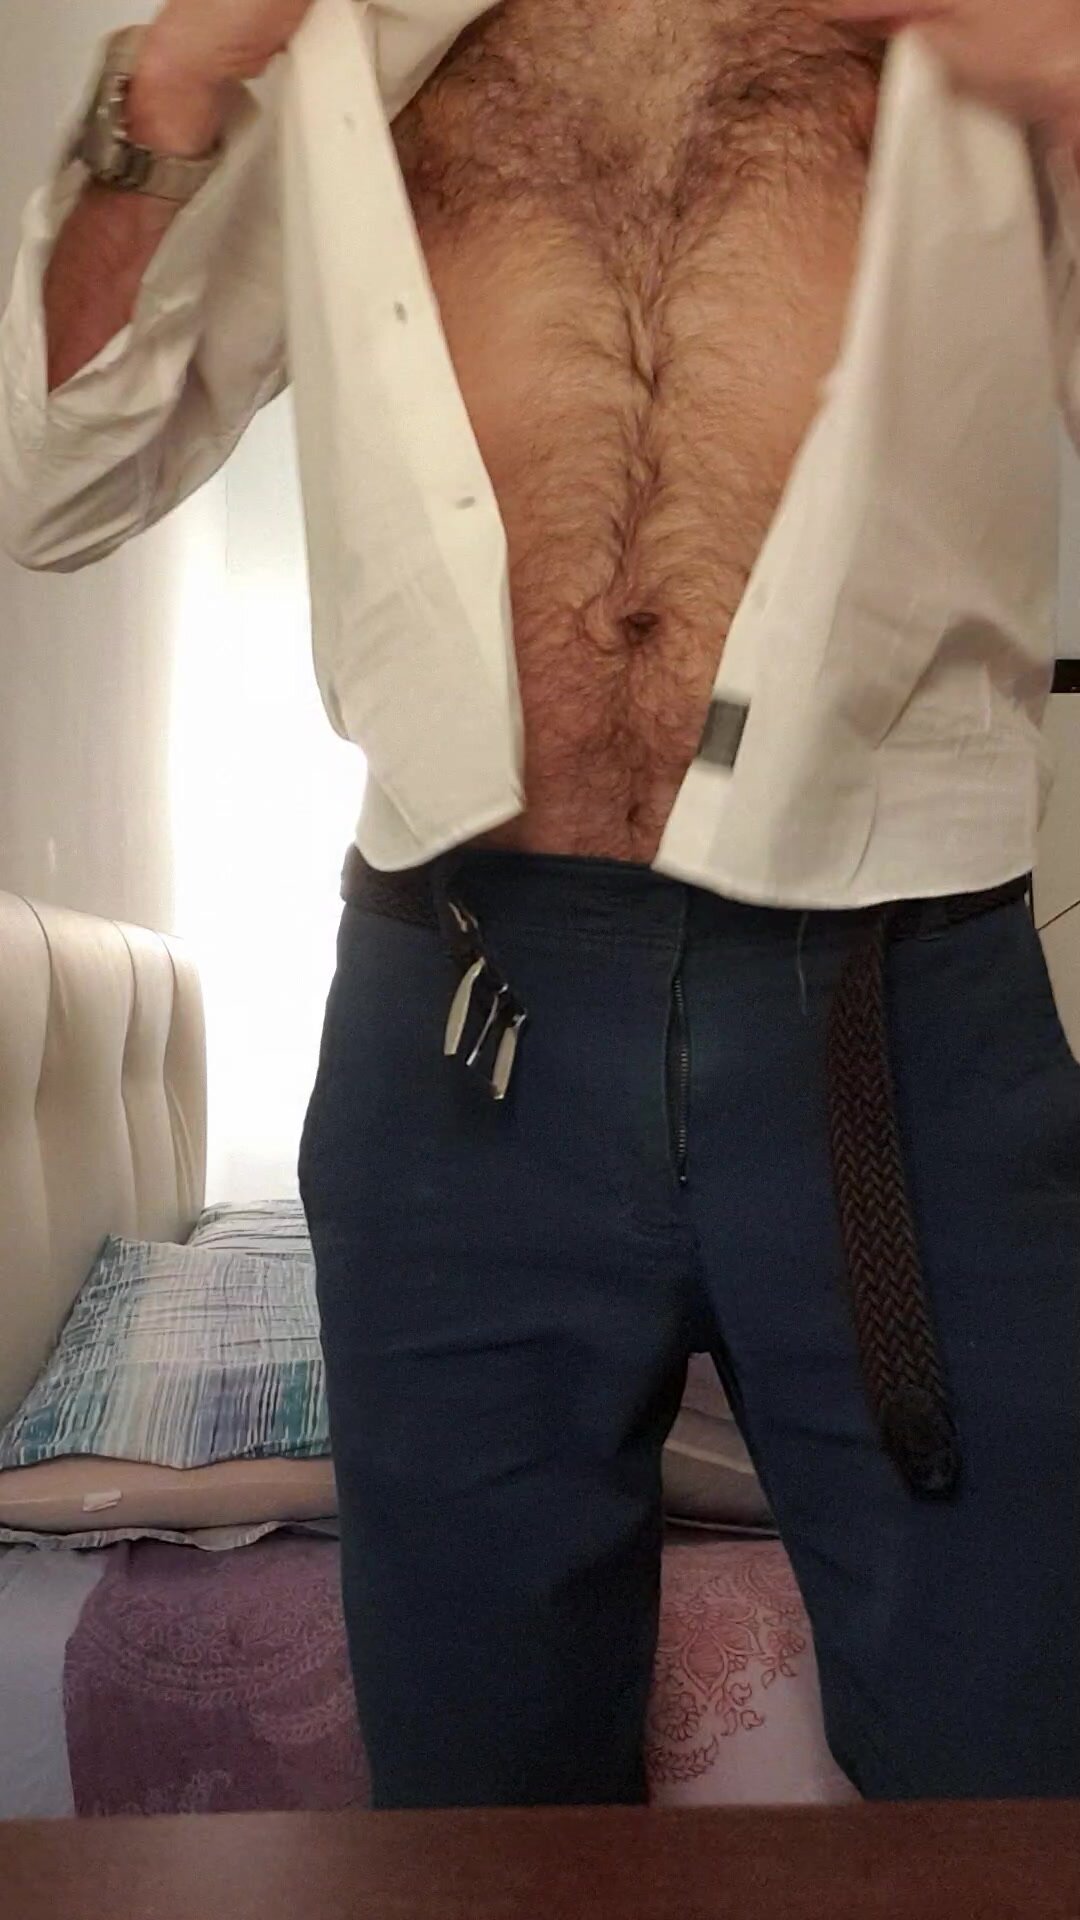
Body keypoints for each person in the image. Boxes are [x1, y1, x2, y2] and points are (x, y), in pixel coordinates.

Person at [2, 0, 1079, 1810]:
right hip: (460, 1013)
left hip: (899, 1008)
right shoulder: (345, 39)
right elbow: (56, 478)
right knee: (475, 1786)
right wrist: (170, 81)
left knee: (1015, 1769)